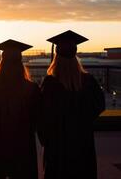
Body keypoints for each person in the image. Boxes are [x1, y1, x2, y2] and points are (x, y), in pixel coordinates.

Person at [38, 30, 105, 179]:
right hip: (82, 142)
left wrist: (46, 139)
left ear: (56, 56)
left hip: (58, 145)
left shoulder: (50, 83)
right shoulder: (88, 81)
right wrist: (83, 121)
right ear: (75, 56)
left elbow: (43, 115)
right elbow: (99, 105)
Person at [0, 39, 41, 179]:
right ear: (20, 62)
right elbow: (38, 119)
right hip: (23, 148)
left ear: (2, 61)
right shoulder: (31, 89)